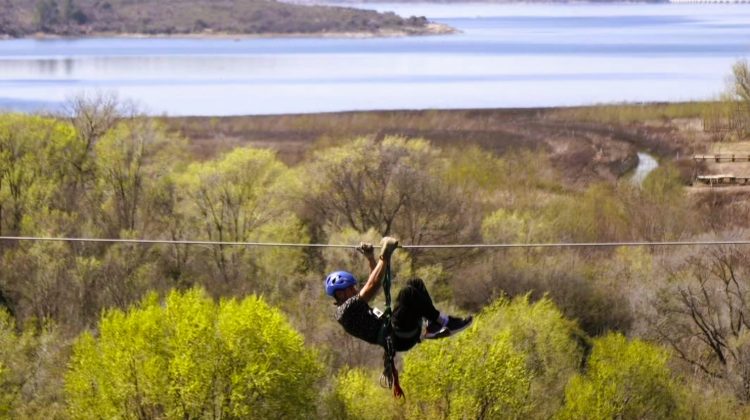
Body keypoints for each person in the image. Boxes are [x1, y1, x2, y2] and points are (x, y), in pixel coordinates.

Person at [325, 236, 472, 352]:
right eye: (352, 288)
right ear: (341, 293)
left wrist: (371, 258)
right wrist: (385, 254)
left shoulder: (353, 307)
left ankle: (432, 326)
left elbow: (373, 284)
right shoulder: (345, 311)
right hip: (396, 336)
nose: (355, 290)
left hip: (397, 331)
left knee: (415, 284)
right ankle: (446, 322)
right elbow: (373, 284)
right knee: (407, 294)